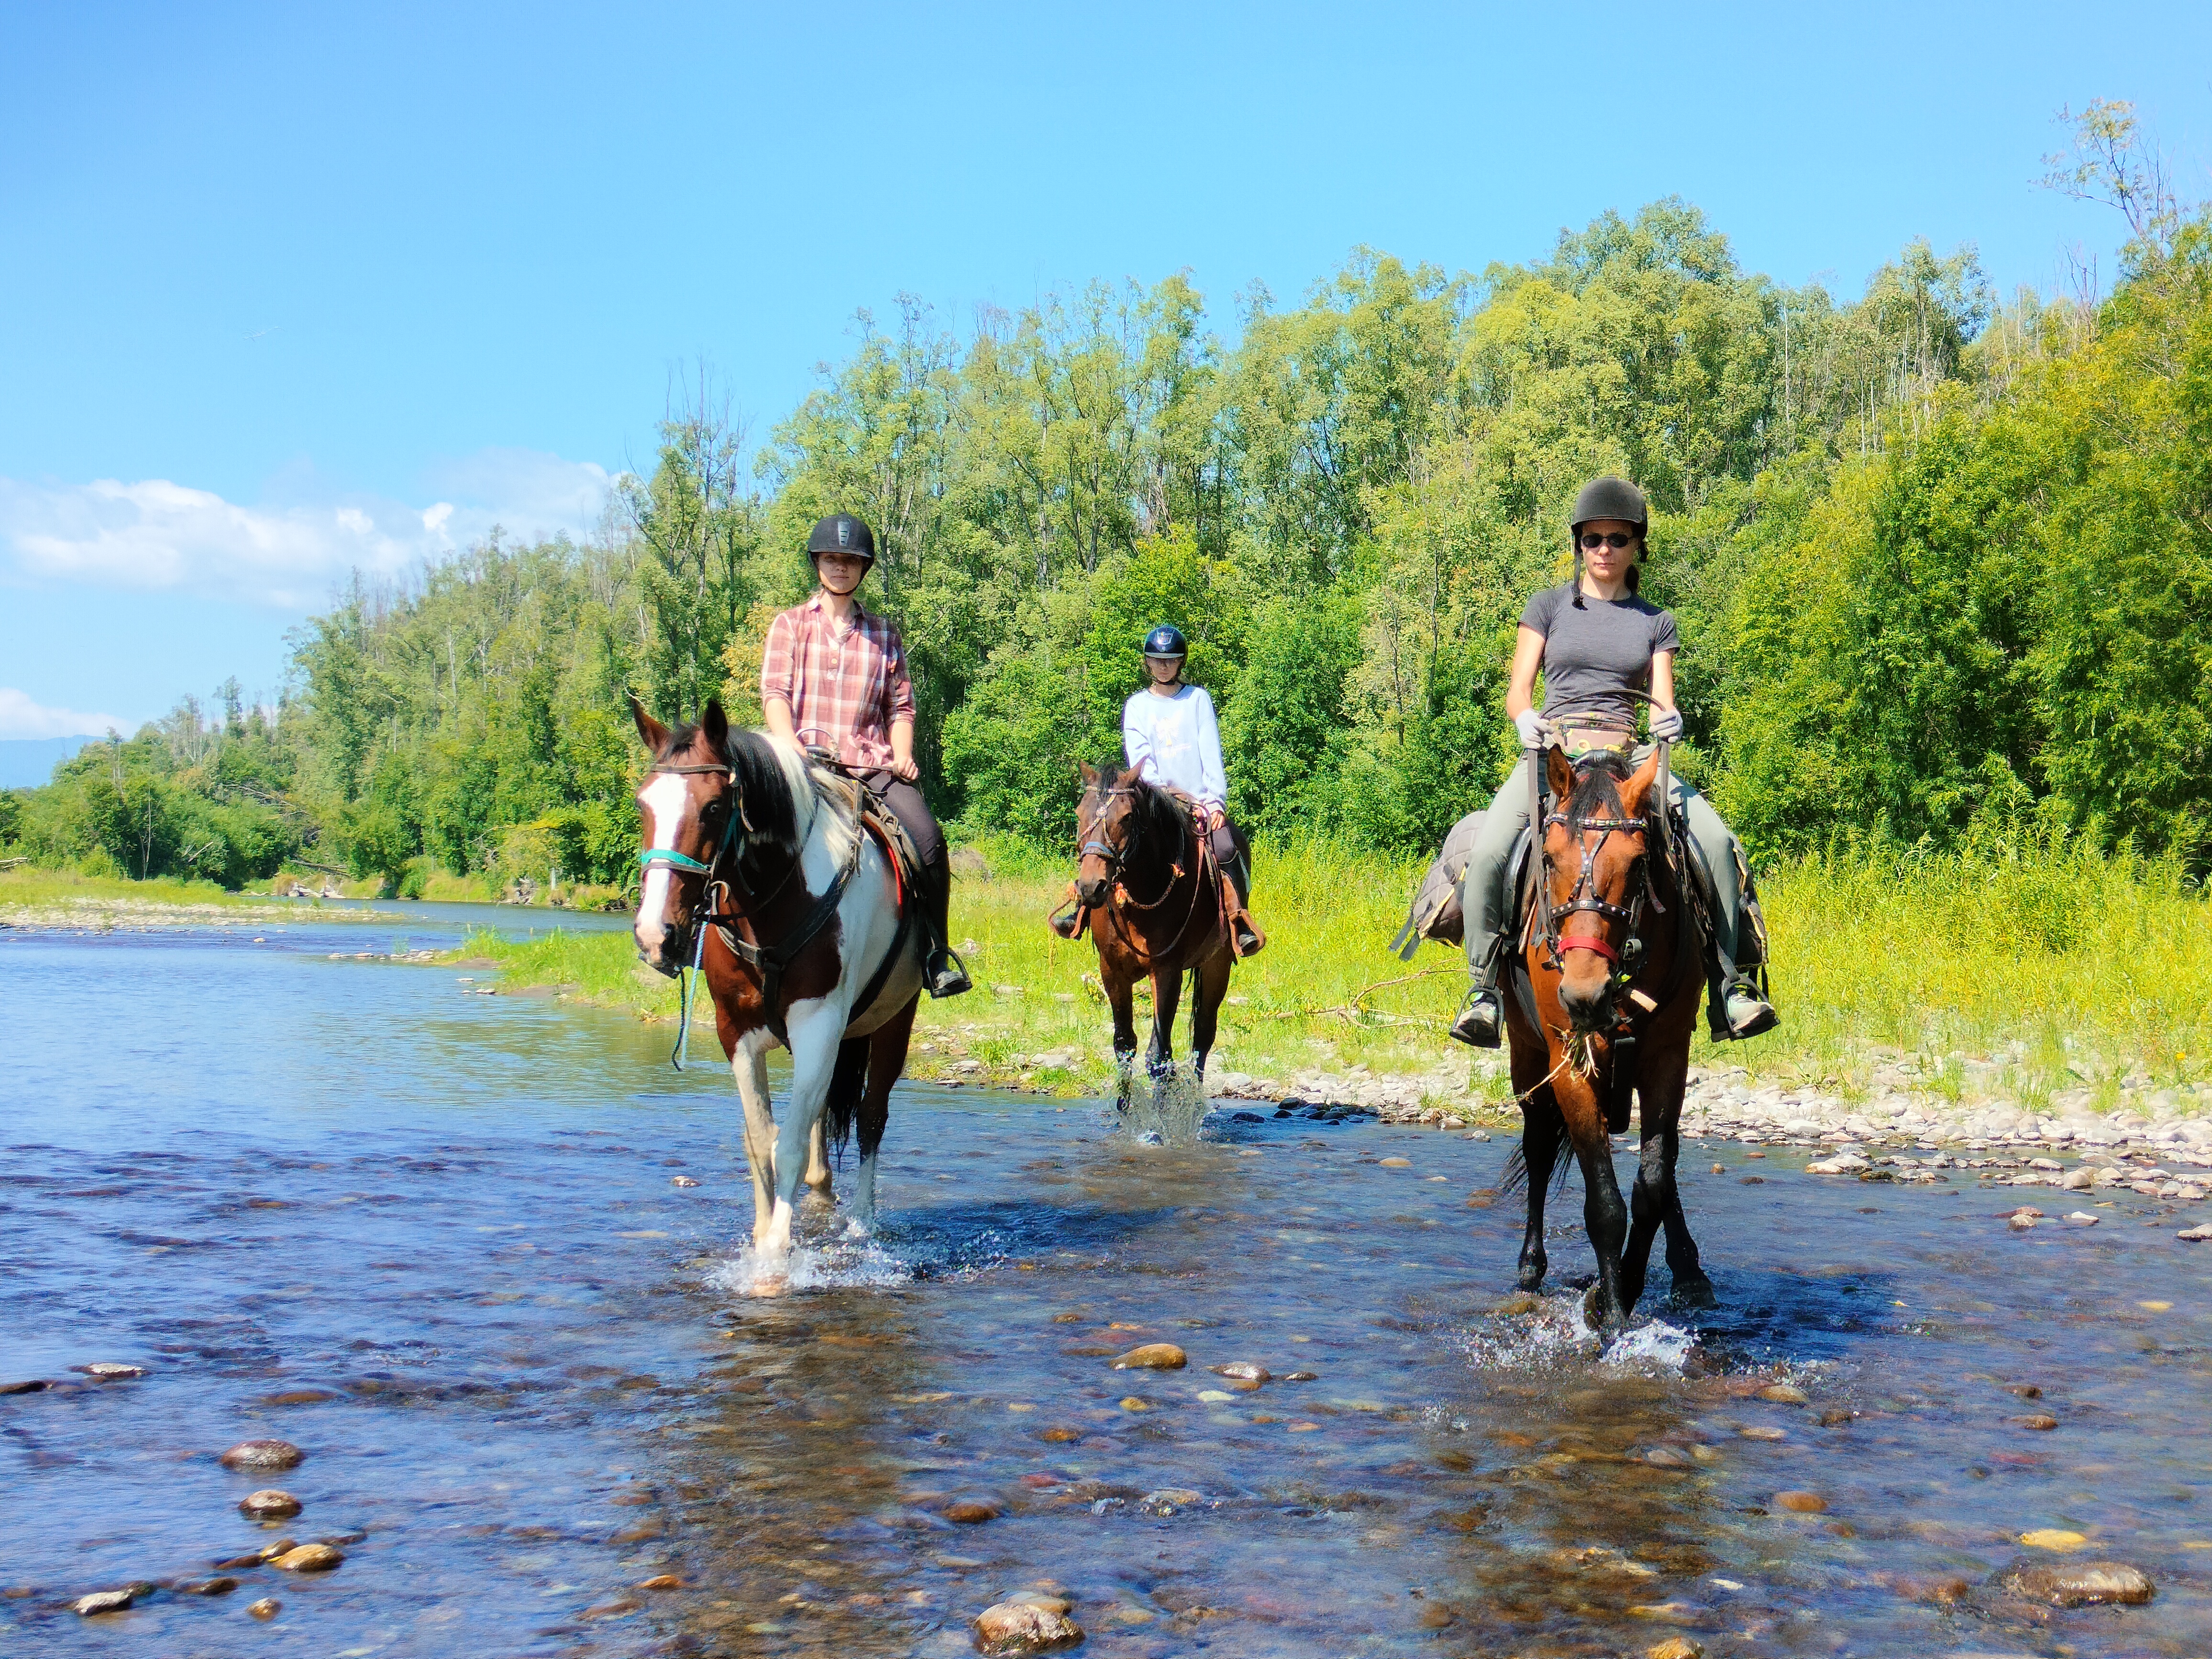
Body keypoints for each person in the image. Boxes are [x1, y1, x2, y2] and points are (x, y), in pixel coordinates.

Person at [1448, 476, 1777, 1048]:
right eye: (1593, 538)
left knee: (1716, 843)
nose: (1604, 549)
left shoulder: (1656, 620)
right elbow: (1517, 693)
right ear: (1578, 543)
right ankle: (1484, 992)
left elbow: (1663, 701)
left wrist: (1670, 722)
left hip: (1629, 755)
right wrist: (1525, 719)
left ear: (1636, 546)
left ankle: (1732, 985)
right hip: (1555, 757)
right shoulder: (1547, 606)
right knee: (1492, 851)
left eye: (1617, 539)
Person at [760, 512, 970, 998]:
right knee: (734, 824)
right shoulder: (789, 626)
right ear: (817, 563)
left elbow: (901, 706)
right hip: (802, 763)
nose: (841, 568)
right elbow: (775, 692)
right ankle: (703, 937)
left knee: (929, 837)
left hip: (870, 765)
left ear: (863, 569)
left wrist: (902, 754)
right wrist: (786, 740)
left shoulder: (883, 633)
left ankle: (936, 954)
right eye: (832, 559)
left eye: (851, 560)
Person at [1115, 624, 1263, 957]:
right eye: (1156, 660)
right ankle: (1085, 910)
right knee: (1111, 838)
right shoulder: (1137, 706)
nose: (1163, 666)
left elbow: (1211, 752)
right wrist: (1167, 798)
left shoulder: (1197, 699)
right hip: (1155, 803)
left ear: (1181, 663)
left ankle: (1238, 923)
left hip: (1199, 803)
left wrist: (1215, 802)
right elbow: (1141, 760)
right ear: (1147, 663)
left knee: (1225, 847)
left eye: (1170, 660)